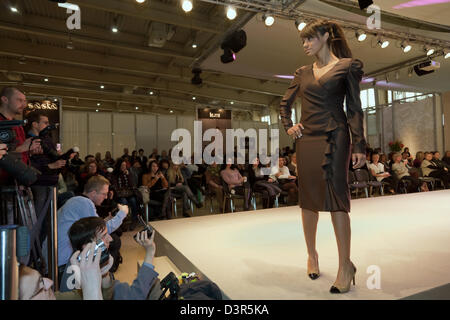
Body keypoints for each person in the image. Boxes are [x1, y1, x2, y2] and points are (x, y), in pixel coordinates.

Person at [279, 20, 366, 293]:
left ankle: (345, 266)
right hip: (306, 140)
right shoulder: (302, 72)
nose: (305, 44)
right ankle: (312, 255)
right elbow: (285, 104)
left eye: (309, 39)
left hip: (336, 136)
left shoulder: (347, 66)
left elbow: (354, 108)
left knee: (338, 198)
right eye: (303, 41)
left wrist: (360, 145)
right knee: (308, 199)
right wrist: (289, 125)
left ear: (326, 36)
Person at [42, 175, 128, 281]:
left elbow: (91, 229)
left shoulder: (76, 201)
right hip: (62, 264)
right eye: (104, 194)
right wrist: (122, 214)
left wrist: (106, 220)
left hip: (53, 260)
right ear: (93, 193)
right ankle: (105, 276)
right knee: (113, 241)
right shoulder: (84, 202)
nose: (106, 197)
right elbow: (101, 231)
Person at [59, 217, 159, 300]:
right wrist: (150, 252)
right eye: (103, 236)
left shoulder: (84, 264)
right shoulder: (80, 280)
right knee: (154, 286)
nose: (110, 239)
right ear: (87, 247)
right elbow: (135, 295)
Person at [19, 245, 110, 300]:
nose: (50, 282)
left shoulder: (56, 297)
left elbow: (104, 296)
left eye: (42, 279)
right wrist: (92, 292)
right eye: (39, 288)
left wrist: (103, 276)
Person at [0, 87, 42, 184]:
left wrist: (30, 151)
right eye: (19, 100)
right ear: (5, 99)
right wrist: (22, 148)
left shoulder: (18, 125)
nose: (24, 105)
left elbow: (20, 151)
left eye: (24, 101)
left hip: (18, 181)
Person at [113, 160, 140, 230]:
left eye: (125, 165)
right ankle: (123, 221)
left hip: (129, 193)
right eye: (122, 165)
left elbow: (132, 184)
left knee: (133, 201)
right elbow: (115, 185)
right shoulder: (114, 174)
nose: (123, 167)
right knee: (123, 202)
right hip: (119, 194)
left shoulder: (128, 173)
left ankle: (134, 219)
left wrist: (128, 175)